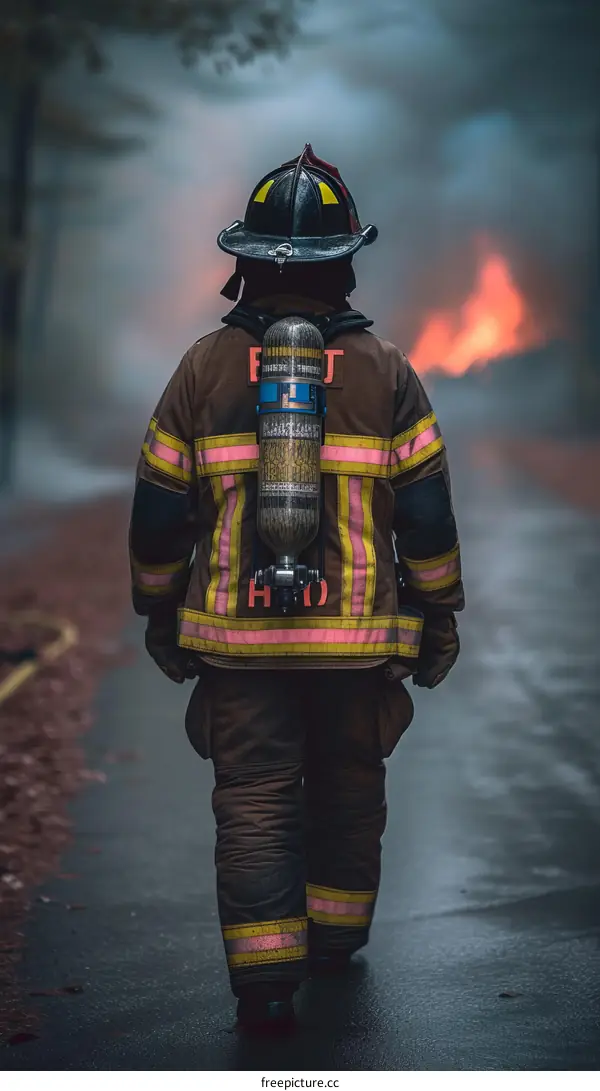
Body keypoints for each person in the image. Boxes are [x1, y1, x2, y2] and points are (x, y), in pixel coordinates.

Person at [129, 144, 465, 1033]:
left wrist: (160, 612)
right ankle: (335, 941)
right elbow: (426, 519)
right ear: (344, 260)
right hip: (356, 644)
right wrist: (437, 615)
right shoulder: (388, 370)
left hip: (239, 644)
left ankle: (265, 986)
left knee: (254, 798)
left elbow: (160, 515)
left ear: (242, 261)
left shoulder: (202, 369)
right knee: (350, 786)